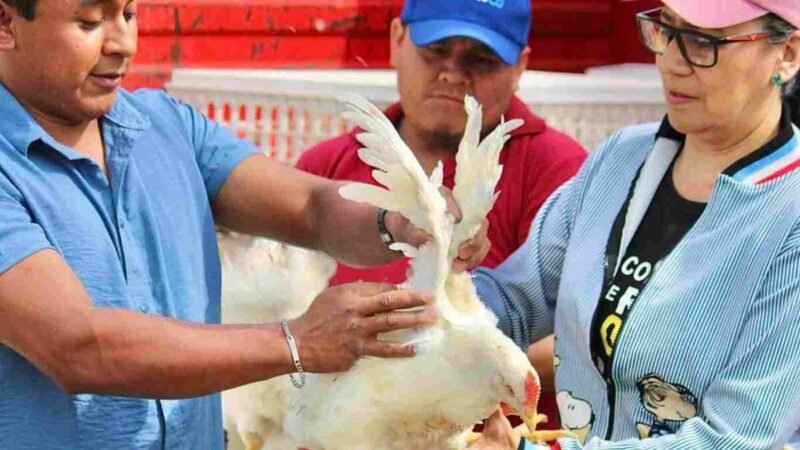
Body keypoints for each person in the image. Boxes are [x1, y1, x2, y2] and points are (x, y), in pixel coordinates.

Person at [0, 0, 490, 449]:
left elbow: (312, 207)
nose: (122, 42)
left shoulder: (163, 124)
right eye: (89, 22)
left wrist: (398, 221)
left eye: (128, 13)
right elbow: (77, 347)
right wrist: (297, 342)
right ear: (6, 23)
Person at [470, 0, 800, 448]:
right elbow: (513, 297)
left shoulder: (788, 214)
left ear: (788, 53)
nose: (671, 62)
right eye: (666, 29)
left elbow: (736, 439)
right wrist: (422, 311)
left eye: (704, 42)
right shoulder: (622, 159)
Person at [296, 0, 587, 427]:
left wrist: (437, 364)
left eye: (481, 60)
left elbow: (579, 343)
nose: (453, 73)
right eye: (435, 51)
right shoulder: (326, 169)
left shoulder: (558, 171)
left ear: (521, 66)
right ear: (397, 39)